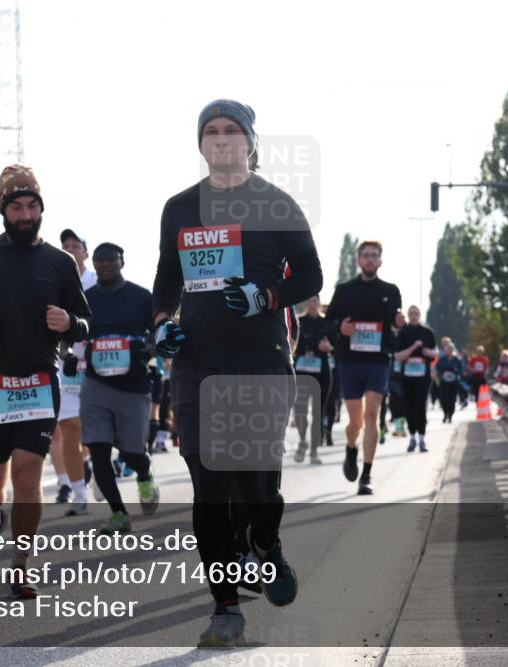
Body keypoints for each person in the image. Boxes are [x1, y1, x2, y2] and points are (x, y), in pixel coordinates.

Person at [152, 99, 321, 648]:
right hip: (197, 365)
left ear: (249, 142)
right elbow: (165, 281)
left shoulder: (277, 203)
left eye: (231, 131)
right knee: (208, 487)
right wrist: (161, 323)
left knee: (256, 485)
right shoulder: (179, 208)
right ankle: (225, 608)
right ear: (200, 144)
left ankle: (266, 544)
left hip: (261, 363)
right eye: (211, 131)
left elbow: (311, 277)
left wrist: (266, 295)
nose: (221, 139)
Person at [0, 165, 89, 599]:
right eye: (17, 206)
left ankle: (21, 564)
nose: (25, 213)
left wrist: (70, 321)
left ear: (41, 209)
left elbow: (84, 323)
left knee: (29, 474)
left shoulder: (60, 262)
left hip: (39, 383)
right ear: (4, 210)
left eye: (32, 205)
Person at [65, 242, 159, 527]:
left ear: (122, 262)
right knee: (98, 449)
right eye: (99, 260)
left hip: (133, 385)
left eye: (110, 260)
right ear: (94, 264)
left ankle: (144, 474)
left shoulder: (141, 297)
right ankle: (119, 513)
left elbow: (160, 331)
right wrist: (68, 355)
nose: (105, 265)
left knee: (132, 453)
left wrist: (148, 350)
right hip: (96, 384)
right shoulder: (86, 298)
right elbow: (68, 332)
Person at [326, 241, 401, 496]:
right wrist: (340, 328)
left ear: (380, 261)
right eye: (366, 255)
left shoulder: (391, 291)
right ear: (359, 260)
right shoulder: (344, 290)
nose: (370, 260)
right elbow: (330, 321)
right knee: (355, 421)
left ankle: (366, 475)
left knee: (372, 415)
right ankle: (351, 448)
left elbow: (395, 321)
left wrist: (399, 323)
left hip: (378, 360)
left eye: (374, 256)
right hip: (350, 361)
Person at [51, 228, 96, 505]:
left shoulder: (97, 280)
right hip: (66, 366)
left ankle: (93, 464)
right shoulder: (55, 282)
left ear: (85, 252)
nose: (70, 248)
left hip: (98, 364)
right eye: (65, 244)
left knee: (93, 429)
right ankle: (78, 491)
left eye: (75, 244)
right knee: (69, 426)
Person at [291, 295, 335, 464]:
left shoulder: (327, 323)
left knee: (318, 412)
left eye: (314, 301)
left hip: (322, 372)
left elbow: (337, 345)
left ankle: (314, 451)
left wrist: (329, 347)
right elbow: (290, 341)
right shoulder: (298, 321)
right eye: (308, 301)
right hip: (301, 371)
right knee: (300, 410)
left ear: (319, 303)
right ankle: (303, 440)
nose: (311, 304)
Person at [394, 305, 437, 453]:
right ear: (408, 315)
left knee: (420, 406)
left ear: (419, 315)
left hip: (423, 376)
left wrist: (428, 352)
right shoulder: (403, 333)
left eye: (416, 313)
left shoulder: (427, 332)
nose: (413, 316)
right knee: (409, 407)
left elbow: (435, 352)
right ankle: (412, 438)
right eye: (411, 313)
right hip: (407, 375)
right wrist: (413, 348)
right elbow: (397, 356)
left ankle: (422, 439)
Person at [387, 310, 408, 437]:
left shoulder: (408, 332)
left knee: (404, 400)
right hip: (391, 371)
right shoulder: (388, 332)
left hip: (407, 371)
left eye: (402, 318)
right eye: (398, 318)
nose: (400, 320)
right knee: (394, 400)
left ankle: (403, 426)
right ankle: (397, 426)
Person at [435, 340, 464, 423]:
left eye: (450, 349)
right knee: (444, 398)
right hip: (444, 382)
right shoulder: (442, 359)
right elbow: (438, 369)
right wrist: (441, 374)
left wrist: (456, 371)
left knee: (452, 399)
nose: (449, 351)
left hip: (453, 382)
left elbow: (460, 370)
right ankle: (445, 414)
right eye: (448, 349)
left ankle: (450, 414)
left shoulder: (456, 360)